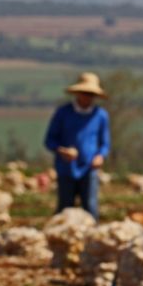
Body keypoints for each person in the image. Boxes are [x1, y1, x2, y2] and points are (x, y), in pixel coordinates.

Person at [44, 72, 110, 220]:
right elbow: (49, 140)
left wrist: (100, 156)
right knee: (65, 208)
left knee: (91, 207)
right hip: (66, 169)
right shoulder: (63, 113)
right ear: (77, 93)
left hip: (89, 169)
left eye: (91, 94)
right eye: (85, 93)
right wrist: (62, 151)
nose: (87, 97)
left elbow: (105, 144)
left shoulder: (101, 115)